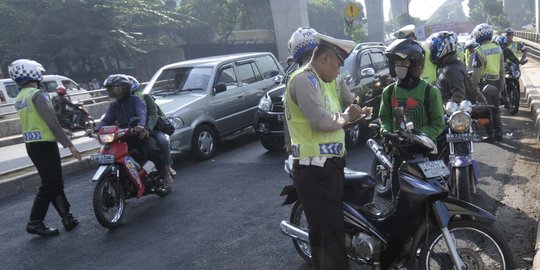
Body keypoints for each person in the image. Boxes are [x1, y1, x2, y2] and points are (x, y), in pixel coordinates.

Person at [284, 32, 363, 270]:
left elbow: (334, 119)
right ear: (327, 58)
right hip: (315, 169)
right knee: (329, 237)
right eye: (338, 64)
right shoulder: (304, 80)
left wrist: (354, 117)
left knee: (330, 232)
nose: (339, 71)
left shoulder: (322, 81)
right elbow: (319, 121)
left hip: (329, 166)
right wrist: (348, 116)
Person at [9, 59, 82, 237]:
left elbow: (37, 122)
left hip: (32, 146)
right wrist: (70, 145)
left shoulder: (20, 97)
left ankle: (67, 217)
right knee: (50, 184)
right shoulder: (37, 94)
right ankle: (35, 222)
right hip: (45, 145)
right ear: (32, 73)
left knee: (53, 182)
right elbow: (51, 121)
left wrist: (62, 132)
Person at [379, 39, 445, 198]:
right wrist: (386, 130)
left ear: (416, 65)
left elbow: (438, 124)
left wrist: (418, 137)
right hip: (399, 153)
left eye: (404, 62)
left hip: (427, 153)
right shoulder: (388, 92)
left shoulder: (430, 92)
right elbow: (384, 117)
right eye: (396, 62)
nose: (399, 66)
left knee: (435, 195)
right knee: (399, 196)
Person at [283, 27, 355, 153]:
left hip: (325, 156)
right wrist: (348, 116)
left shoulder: (295, 77)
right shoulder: (308, 78)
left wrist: (289, 144)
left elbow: (287, 116)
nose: (338, 70)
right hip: (317, 162)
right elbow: (350, 100)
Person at [96, 74, 173, 189]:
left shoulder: (136, 100)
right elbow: (106, 119)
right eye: (111, 89)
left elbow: (142, 113)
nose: (113, 91)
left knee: (151, 150)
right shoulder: (114, 106)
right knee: (110, 153)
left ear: (125, 88)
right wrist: (94, 129)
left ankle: (166, 173)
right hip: (124, 137)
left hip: (140, 135)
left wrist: (141, 126)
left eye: (115, 88)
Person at [126, 75, 176, 177]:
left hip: (154, 128)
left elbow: (154, 114)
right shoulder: (124, 103)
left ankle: (168, 165)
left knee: (163, 141)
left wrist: (148, 128)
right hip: (136, 130)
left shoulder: (146, 97)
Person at [471, 23, 505, 142]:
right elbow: (502, 68)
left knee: (485, 111)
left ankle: (491, 136)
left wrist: (473, 87)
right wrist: (502, 83)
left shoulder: (479, 51)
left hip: (484, 84)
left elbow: (476, 73)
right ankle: (499, 133)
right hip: (496, 83)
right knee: (496, 109)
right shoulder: (498, 48)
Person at [428, 31, 482, 104]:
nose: (432, 52)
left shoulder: (451, 69)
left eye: (433, 49)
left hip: (452, 112)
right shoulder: (452, 64)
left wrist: (445, 108)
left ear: (442, 48)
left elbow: (458, 95)